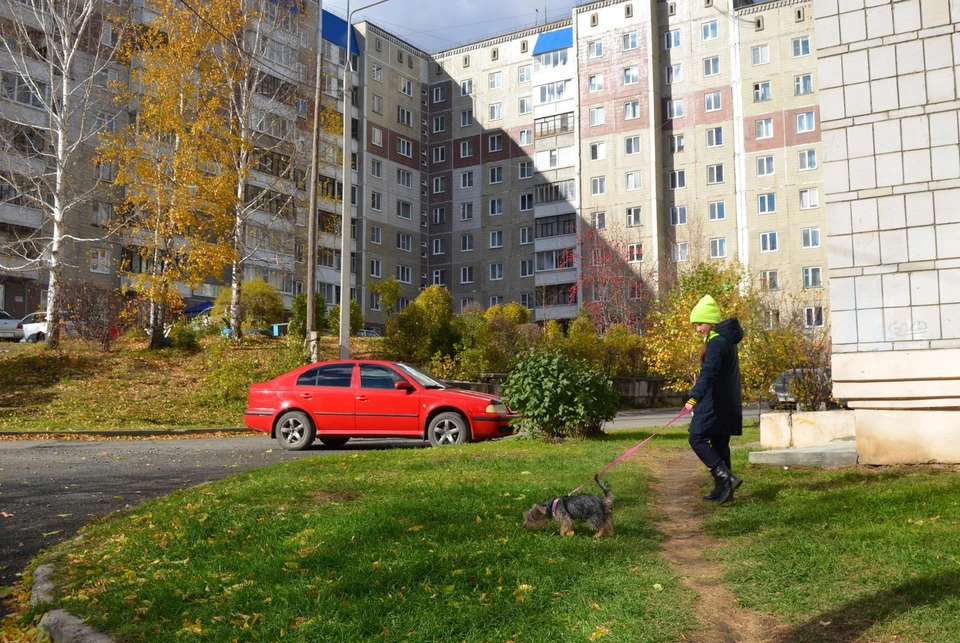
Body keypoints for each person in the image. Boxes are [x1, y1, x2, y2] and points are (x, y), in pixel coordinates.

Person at [683, 295, 744, 504]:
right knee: (719, 444)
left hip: (714, 403)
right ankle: (724, 490)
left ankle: (726, 476)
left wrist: (694, 397)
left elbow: (709, 373)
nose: (697, 329)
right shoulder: (726, 340)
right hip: (726, 402)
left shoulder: (717, 342)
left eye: (699, 323)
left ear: (711, 322)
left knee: (696, 438)